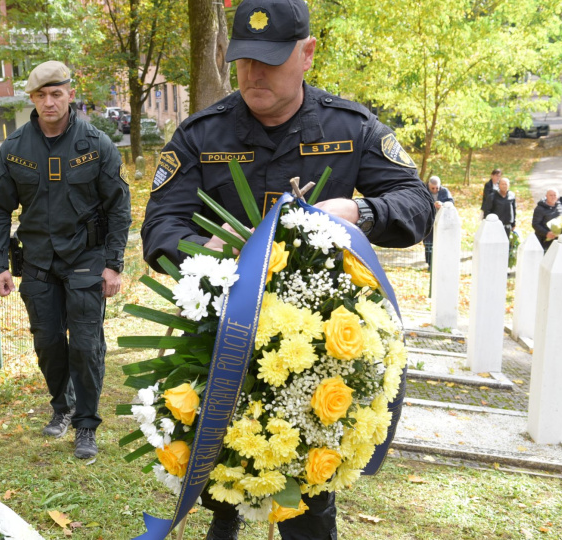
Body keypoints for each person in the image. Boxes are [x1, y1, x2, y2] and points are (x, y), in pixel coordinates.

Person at [141, 0, 434, 538]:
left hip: (319, 344)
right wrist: (204, 250)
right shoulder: (202, 135)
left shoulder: (351, 127)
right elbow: (159, 227)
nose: (254, 73)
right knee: (221, 478)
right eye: (245, 59)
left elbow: (416, 203)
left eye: (270, 59)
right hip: (223, 336)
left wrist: (360, 212)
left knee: (308, 497)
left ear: (307, 54)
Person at [0, 61, 131, 460]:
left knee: (85, 345)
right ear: (32, 99)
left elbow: (119, 207)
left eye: (56, 94)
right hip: (37, 261)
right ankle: (62, 405)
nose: (49, 102)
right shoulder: (14, 149)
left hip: (87, 258)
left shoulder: (97, 145)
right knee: (48, 343)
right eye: (41, 96)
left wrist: (114, 264)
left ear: (70, 94)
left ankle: (86, 425)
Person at [424, 176, 454, 268]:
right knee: (428, 244)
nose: (435, 190)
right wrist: (432, 205)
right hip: (428, 221)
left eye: (437, 188)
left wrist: (442, 204)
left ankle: (440, 262)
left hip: (441, 220)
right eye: (432, 188)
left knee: (441, 243)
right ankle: (430, 264)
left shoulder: (444, 191)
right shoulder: (424, 191)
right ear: (429, 185)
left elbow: (451, 202)